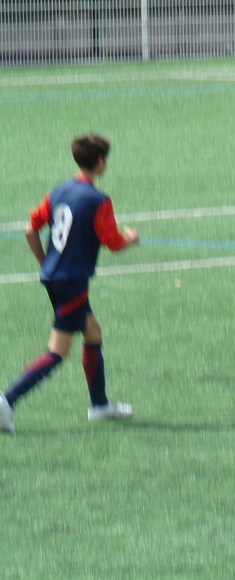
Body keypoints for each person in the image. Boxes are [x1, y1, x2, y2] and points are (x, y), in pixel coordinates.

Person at [1, 134, 140, 435]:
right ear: (100, 162)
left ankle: (100, 405)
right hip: (72, 282)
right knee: (57, 351)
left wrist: (45, 263)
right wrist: (131, 239)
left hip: (55, 277)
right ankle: (6, 401)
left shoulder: (59, 190)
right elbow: (113, 243)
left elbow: (30, 230)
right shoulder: (99, 200)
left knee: (93, 332)